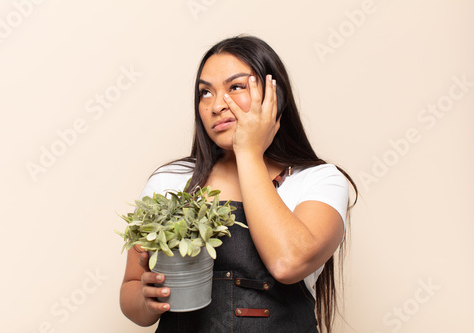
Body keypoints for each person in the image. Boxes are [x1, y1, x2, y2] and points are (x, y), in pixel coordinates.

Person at [119, 35, 357, 333]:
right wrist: (145, 299)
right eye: (205, 93)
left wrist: (248, 151)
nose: (217, 105)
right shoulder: (171, 181)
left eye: (235, 87)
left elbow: (288, 263)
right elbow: (131, 288)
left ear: (274, 94)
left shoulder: (319, 180)